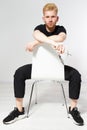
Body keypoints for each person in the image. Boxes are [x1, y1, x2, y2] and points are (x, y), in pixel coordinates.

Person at [3, 3, 84, 126]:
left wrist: (36, 42)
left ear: (57, 18)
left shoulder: (61, 29)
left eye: (53, 16)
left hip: (57, 68)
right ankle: (19, 110)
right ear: (43, 18)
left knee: (76, 75)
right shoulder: (39, 28)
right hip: (38, 67)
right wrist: (50, 42)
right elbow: (36, 34)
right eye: (47, 17)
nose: (50, 19)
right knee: (19, 72)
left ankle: (73, 109)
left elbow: (61, 38)